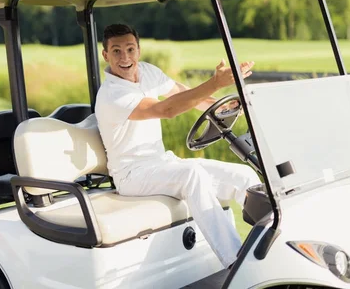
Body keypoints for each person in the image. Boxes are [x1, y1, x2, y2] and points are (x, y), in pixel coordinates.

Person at [95, 23, 261, 269]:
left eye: (130, 49)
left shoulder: (148, 72)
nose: (125, 57)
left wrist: (225, 105)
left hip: (162, 162)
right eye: (117, 51)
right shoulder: (112, 94)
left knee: (244, 175)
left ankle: (270, 248)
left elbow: (184, 94)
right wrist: (216, 82)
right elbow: (167, 109)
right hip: (132, 174)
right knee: (191, 175)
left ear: (138, 50)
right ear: (106, 55)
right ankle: (237, 263)